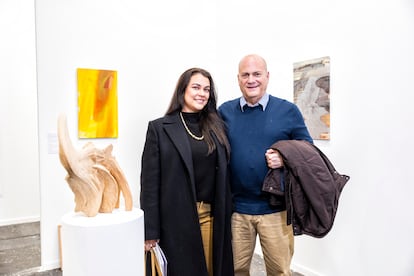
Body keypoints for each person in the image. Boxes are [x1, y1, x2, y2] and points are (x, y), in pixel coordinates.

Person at [218, 54, 313, 276]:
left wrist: (284, 157)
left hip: (276, 210)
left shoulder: (288, 111)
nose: (251, 80)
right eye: (246, 75)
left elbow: (307, 150)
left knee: (279, 271)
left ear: (267, 76)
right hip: (236, 211)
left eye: (257, 74)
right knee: (235, 270)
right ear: (238, 79)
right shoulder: (224, 112)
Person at [140, 67, 234, 276]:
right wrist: (150, 230)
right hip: (175, 220)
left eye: (207, 89)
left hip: (211, 217)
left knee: (212, 270)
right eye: (196, 87)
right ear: (183, 89)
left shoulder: (217, 127)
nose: (202, 93)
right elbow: (150, 184)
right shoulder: (160, 128)